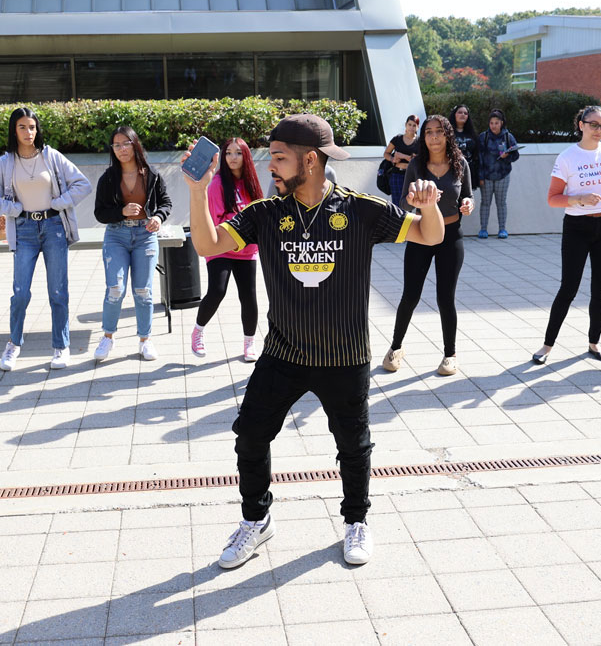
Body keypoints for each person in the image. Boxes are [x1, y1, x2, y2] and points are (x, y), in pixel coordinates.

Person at [185, 114, 443, 569]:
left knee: (353, 445)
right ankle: (255, 521)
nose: (271, 167)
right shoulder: (266, 214)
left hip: (345, 356)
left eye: (280, 159)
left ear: (310, 160)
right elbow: (207, 245)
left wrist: (430, 206)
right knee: (250, 436)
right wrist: (196, 189)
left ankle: (355, 522)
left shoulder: (360, 210)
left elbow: (428, 234)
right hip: (284, 353)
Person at [0, 107, 92, 372]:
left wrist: (60, 203)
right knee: (20, 293)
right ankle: (13, 344)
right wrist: (13, 209)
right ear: (13, 130)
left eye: (32, 127)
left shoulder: (51, 156)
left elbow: (82, 184)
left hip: (54, 227)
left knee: (58, 291)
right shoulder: (6, 162)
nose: (28, 132)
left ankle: (60, 347)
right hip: (24, 229)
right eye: (22, 127)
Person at [532, 106, 601, 365]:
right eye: (594, 125)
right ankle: (547, 346)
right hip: (577, 228)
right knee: (569, 287)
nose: (599, 130)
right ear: (581, 125)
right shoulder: (568, 156)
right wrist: (578, 198)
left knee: (600, 289)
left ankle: (594, 342)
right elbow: (552, 199)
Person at [382, 115, 473, 376]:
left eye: (439, 132)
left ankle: (450, 355)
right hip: (421, 234)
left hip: (451, 235)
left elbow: (467, 194)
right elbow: (402, 205)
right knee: (410, 295)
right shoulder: (416, 165)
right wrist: (414, 199)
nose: (433, 137)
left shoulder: (460, 164)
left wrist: (468, 204)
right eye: (429, 132)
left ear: (447, 136)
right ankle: (395, 348)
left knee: (446, 298)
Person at [92, 126, 173, 362]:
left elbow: (166, 203)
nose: (121, 149)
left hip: (145, 236)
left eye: (125, 143)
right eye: (116, 145)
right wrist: (122, 211)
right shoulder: (108, 178)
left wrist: (158, 217)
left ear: (135, 144)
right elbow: (100, 213)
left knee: (143, 291)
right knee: (115, 289)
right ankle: (107, 336)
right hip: (116, 236)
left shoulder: (152, 174)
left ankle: (145, 340)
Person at [191, 138, 265, 362]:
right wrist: (244, 221)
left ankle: (249, 342)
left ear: (246, 156)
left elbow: (259, 214)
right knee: (217, 290)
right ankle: (198, 331)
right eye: (228, 153)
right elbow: (218, 219)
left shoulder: (252, 184)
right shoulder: (216, 184)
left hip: (246, 249)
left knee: (249, 296)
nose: (233, 157)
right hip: (221, 246)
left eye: (238, 153)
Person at [475, 108, 520, 239]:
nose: (494, 125)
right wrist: (481, 176)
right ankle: (483, 229)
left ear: (501, 123)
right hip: (487, 176)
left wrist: (507, 156)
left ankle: (502, 229)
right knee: (485, 202)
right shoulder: (483, 137)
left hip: (503, 175)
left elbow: (516, 155)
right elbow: (479, 158)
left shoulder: (508, 137)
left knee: (501, 202)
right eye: (491, 123)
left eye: (496, 122)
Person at [381, 115, 419, 208]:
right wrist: (392, 159)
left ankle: (407, 222)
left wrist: (403, 156)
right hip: (397, 175)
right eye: (409, 124)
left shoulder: (419, 141)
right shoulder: (397, 139)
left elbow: (419, 159)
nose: (411, 127)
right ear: (406, 125)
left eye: (414, 125)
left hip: (411, 176)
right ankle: (397, 223)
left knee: (409, 204)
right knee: (397, 206)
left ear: (417, 127)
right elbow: (386, 153)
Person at [448, 104, 480, 191]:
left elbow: (476, 155)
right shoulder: (447, 133)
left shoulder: (472, 134)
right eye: (460, 112)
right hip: (452, 172)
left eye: (465, 113)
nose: (463, 115)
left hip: (468, 171)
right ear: (454, 114)